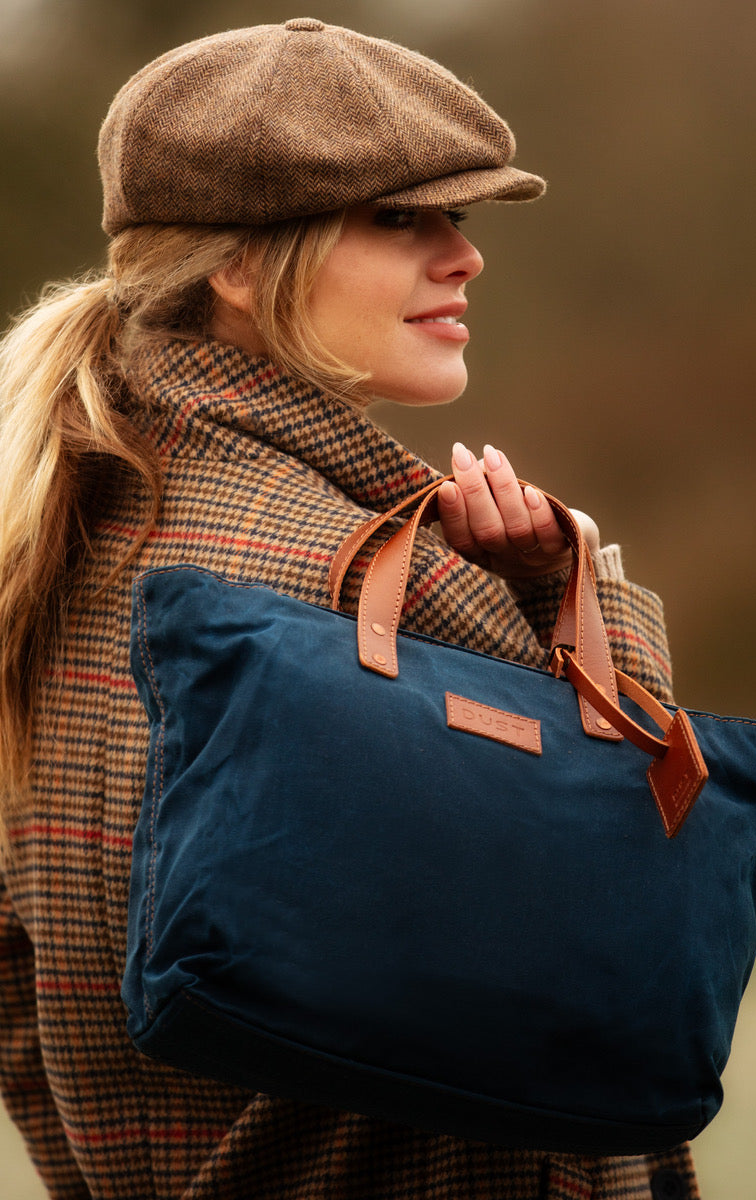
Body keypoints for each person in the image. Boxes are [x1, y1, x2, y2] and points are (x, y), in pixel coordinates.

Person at [0, 19, 699, 1200]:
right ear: (237, 265)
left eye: (460, 218)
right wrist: (576, 596)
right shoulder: (360, 576)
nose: (464, 257)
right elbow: (648, 894)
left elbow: (25, 1020)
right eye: (398, 218)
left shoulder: (47, 546)